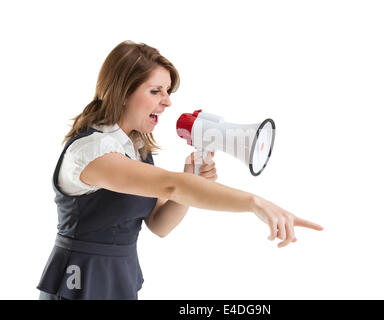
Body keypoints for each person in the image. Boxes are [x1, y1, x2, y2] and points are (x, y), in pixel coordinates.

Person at [37, 40, 323, 300]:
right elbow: (171, 186)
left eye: (168, 91)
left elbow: (159, 225)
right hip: (80, 281)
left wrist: (191, 178)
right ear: (122, 93)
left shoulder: (135, 148)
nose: (168, 101)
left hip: (119, 276)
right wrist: (254, 202)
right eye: (155, 91)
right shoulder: (92, 152)